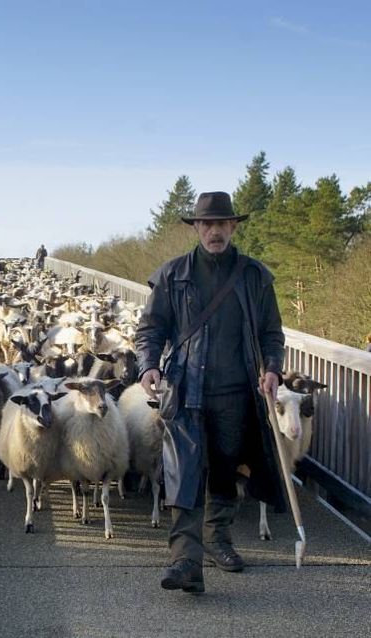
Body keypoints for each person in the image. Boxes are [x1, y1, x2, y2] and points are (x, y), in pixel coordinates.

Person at [135, 191, 286, 594]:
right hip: (186, 389)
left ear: (233, 226)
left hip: (237, 392)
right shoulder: (172, 274)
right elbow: (151, 328)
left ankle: (218, 539)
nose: (214, 230)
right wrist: (148, 363)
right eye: (207, 223)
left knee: (225, 469)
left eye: (221, 223)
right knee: (182, 470)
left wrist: (272, 368)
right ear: (196, 228)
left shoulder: (254, 276)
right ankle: (185, 559)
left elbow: (272, 332)